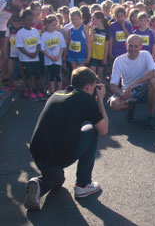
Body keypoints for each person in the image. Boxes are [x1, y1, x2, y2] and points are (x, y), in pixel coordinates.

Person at [24, 67, 108, 210]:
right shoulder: (85, 98)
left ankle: (38, 184)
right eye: (94, 87)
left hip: (38, 153)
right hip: (60, 154)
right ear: (88, 87)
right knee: (93, 130)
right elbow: (103, 129)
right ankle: (83, 185)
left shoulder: (57, 94)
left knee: (57, 179)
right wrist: (100, 99)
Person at [109, 34, 155, 129]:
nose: (133, 49)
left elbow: (154, 72)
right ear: (126, 45)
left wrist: (134, 84)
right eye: (130, 45)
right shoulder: (119, 60)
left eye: (136, 46)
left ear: (141, 46)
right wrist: (121, 93)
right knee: (115, 104)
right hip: (126, 91)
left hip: (143, 89)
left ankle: (152, 116)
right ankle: (131, 107)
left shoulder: (145, 54)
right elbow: (112, 84)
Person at [0, 0, 32, 83]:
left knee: (5, 55)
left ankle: (3, 76)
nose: (25, 8)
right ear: (18, 0)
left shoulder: (19, 7)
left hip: (3, 26)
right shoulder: (4, 1)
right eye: (25, 5)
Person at [40, 15, 66, 94]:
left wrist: (59, 56)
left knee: (58, 75)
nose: (54, 26)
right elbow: (42, 48)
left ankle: (60, 92)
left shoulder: (58, 34)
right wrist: (50, 56)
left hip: (58, 59)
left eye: (55, 24)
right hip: (49, 60)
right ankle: (52, 92)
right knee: (50, 76)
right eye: (52, 25)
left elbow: (62, 46)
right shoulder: (44, 35)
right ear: (47, 24)